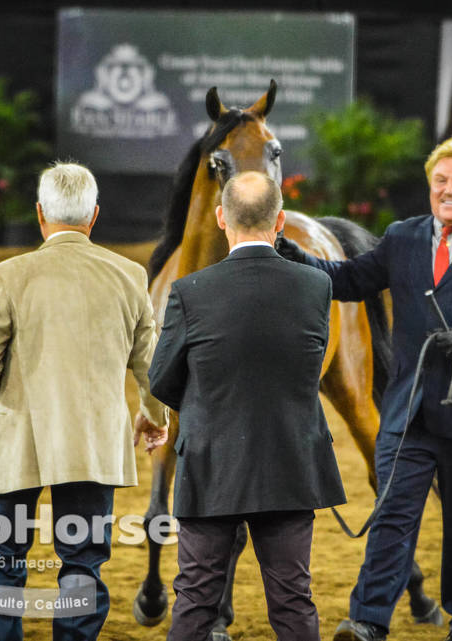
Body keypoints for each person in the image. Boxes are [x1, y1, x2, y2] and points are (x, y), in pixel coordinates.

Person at [276, 137, 452, 641]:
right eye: (441, 181)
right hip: (408, 417)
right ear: (430, 188)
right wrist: (291, 255)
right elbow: (350, 279)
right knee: (391, 520)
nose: (450, 190)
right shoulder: (403, 238)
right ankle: (367, 621)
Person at [0, 161, 169, 641]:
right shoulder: (129, 276)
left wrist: (14, 397)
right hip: (92, 444)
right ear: (93, 216)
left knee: (2, 557)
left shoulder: (5, 276)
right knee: (82, 561)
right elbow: (152, 370)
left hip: (20, 439)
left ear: (39, 214)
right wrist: (152, 417)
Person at [148, 170, 347, 641]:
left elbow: (161, 379)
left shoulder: (189, 291)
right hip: (291, 463)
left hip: (212, 462)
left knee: (196, 599)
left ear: (221, 218)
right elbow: (306, 366)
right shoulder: (316, 287)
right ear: (280, 221)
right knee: (294, 601)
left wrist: (208, 406)